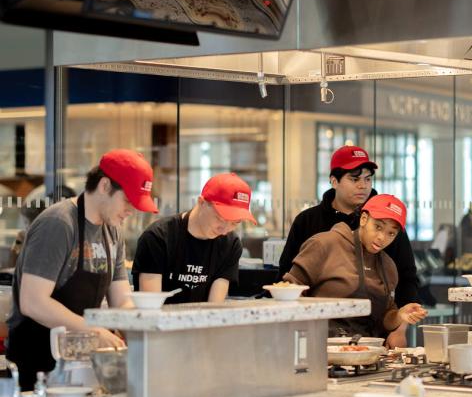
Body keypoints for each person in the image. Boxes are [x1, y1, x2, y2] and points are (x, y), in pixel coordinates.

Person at [7, 149, 158, 390]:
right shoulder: (58, 224)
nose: (132, 210)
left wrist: (143, 333)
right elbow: (32, 302)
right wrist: (94, 332)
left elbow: (121, 301)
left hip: (79, 361)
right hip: (38, 361)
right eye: (129, 200)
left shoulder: (113, 231)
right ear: (105, 186)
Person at [278, 145, 420, 309]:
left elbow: (407, 279)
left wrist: (400, 329)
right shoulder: (307, 221)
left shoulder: (388, 222)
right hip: (320, 319)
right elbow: (287, 276)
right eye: (354, 179)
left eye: (367, 179)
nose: (363, 186)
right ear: (334, 181)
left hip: (377, 325)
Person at [283, 194, 427, 347]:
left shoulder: (388, 266)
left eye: (391, 233)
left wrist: (399, 316)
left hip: (364, 354)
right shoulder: (324, 244)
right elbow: (289, 292)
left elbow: (384, 319)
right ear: (364, 219)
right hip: (318, 348)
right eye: (378, 227)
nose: (382, 237)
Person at [132, 172, 256, 303]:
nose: (225, 230)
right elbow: (150, 307)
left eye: (234, 223)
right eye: (220, 218)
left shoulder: (230, 244)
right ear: (201, 202)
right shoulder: (158, 237)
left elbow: (214, 307)